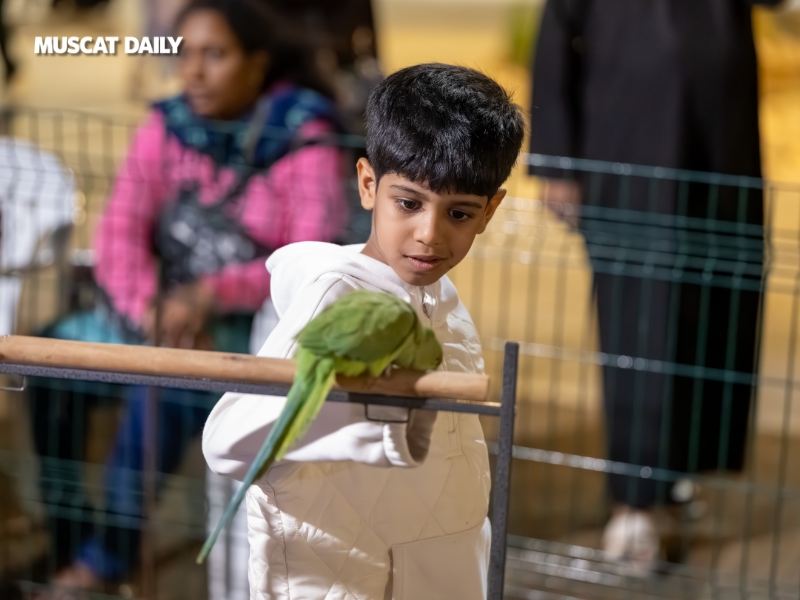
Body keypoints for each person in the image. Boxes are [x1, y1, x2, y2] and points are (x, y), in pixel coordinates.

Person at [36, 0, 349, 594]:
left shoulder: (304, 136)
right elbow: (118, 230)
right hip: (148, 309)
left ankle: (106, 563)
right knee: (46, 367)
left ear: (257, 66)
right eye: (185, 55)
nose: (195, 73)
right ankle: (70, 538)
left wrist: (209, 294)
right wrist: (149, 305)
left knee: (163, 390)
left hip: (241, 322)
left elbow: (306, 253)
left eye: (216, 55)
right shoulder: (168, 124)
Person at [202, 63, 525, 599]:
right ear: (368, 184)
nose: (430, 234)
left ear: (491, 210)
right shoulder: (339, 299)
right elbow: (227, 442)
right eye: (409, 203)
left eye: (460, 214)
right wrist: (372, 426)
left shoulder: (443, 302)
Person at [529, 0, 783, 575]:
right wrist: (556, 162)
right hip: (628, 153)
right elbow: (553, 41)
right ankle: (633, 500)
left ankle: (674, 477)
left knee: (714, 310)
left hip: (723, 151)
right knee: (639, 319)